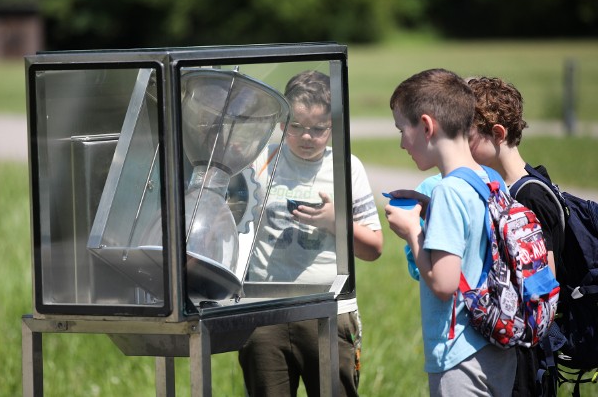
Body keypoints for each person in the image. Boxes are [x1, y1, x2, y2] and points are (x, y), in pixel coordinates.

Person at [238, 70, 383, 397]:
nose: (306, 137)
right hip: (263, 309)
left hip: (328, 309)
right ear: (281, 123)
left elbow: (373, 247)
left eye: (318, 129)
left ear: (333, 126)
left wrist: (336, 221)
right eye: (296, 127)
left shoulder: (348, 168)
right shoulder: (261, 162)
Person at [384, 68, 517, 396]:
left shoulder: (447, 192)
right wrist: (431, 211)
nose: (402, 142)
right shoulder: (489, 178)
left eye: (403, 129)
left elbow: (444, 284)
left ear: (427, 126)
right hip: (497, 349)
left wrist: (413, 230)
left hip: (459, 356)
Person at [467, 76, 563, 397]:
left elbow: (543, 284)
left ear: (497, 134)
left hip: (527, 351)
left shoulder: (529, 195)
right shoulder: (510, 189)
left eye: (468, 136)